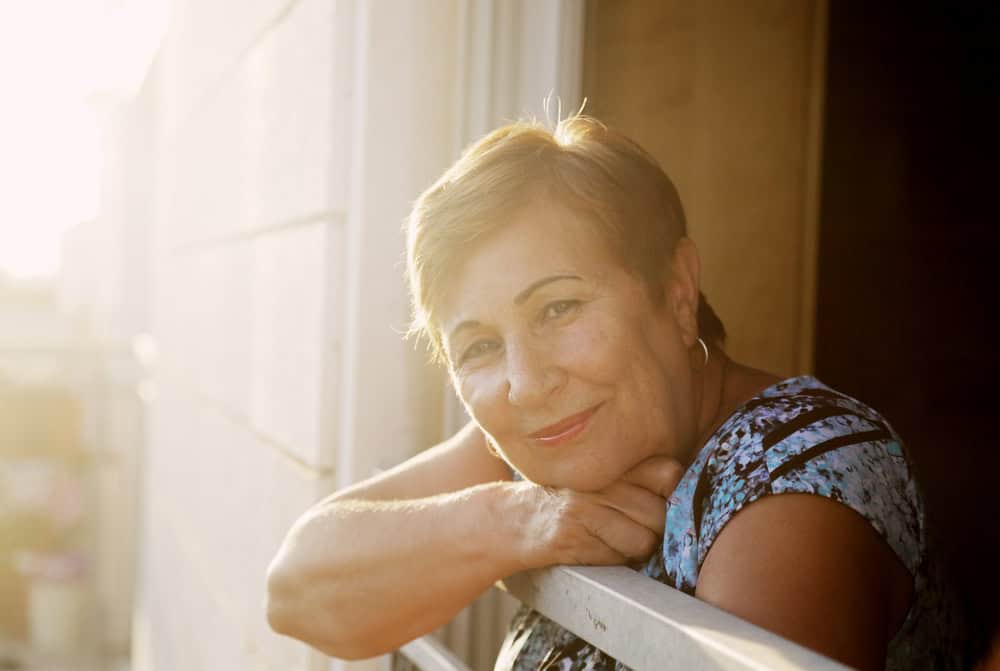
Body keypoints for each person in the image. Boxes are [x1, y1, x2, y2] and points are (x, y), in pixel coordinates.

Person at [265, 116, 960, 670]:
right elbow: (297, 588)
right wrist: (516, 522)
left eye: (559, 308)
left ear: (678, 291)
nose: (527, 380)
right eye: (477, 345)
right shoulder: (541, 445)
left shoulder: (798, 484)